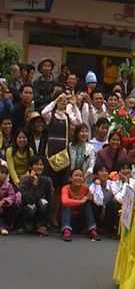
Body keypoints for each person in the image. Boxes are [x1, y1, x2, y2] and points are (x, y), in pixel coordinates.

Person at [41, 91, 74, 226]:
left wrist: (74, 104)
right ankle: (46, 217)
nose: (63, 102)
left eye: (64, 101)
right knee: (50, 186)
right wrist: (54, 101)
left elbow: (78, 121)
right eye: (61, 100)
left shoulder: (67, 116)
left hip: (63, 153)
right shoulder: (51, 116)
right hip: (51, 154)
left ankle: (56, 217)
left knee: (61, 187)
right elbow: (43, 112)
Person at [60, 167, 100, 241]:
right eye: (76, 175)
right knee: (67, 205)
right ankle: (66, 230)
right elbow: (64, 201)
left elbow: (93, 199)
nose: (78, 178)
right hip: (68, 218)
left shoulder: (86, 188)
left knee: (87, 204)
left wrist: (91, 198)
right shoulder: (66, 188)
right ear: (70, 178)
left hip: (80, 220)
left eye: (80, 176)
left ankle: (92, 230)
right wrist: (81, 201)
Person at [18, 155, 52, 235]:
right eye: (36, 164)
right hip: (28, 209)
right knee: (32, 206)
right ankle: (28, 224)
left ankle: (40, 224)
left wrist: (45, 224)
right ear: (30, 167)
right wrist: (34, 185)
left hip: (39, 208)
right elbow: (30, 200)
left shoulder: (47, 180)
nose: (39, 167)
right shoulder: (24, 181)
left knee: (43, 203)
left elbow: (50, 202)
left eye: (41, 165)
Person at [89, 164, 118, 234]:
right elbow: (98, 202)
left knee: (113, 204)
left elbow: (116, 198)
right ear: (96, 175)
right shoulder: (92, 187)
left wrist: (104, 208)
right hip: (98, 213)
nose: (104, 173)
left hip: (108, 213)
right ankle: (96, 227)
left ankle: (111, 228)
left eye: (106, 171)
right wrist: (98, 185)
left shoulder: (112, 184)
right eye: (101, 171)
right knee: (93, 204)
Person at [0, 164, 18, 234]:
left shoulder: (8, 185)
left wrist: (3, 202)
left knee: (13, 206)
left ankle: (5, 226)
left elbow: (12, 196)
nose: (4, 175)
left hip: (4, 205)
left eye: (6, 174)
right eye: (2, 173)